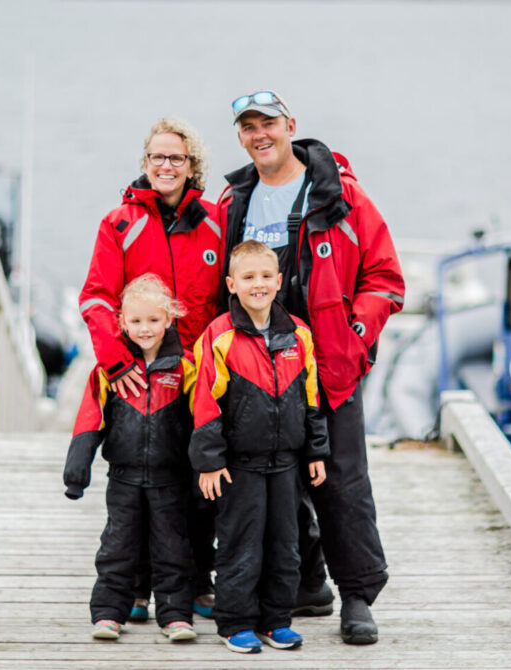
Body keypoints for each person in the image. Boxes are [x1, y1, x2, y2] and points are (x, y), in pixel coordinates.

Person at [217, 90, 405, 645]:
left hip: (328, 363)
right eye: (248, 127)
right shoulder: (234, 200)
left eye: (268, 123)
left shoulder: (340, 195)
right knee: (274, 475)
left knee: (341, 481)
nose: (260, 135)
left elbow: (385, 278)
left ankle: (357, 595)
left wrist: (355, 335)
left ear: (289, 125)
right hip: (258, 366)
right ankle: (306, 583)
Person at [78, 117, 222, 619]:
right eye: (158, 157)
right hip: (137, 378)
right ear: (145, 163)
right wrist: (115, 361)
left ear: (191, 166)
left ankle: (197, 580)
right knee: (139, 485)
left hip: (199, 377)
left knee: (198, 482)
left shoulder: (214, 223)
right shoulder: (119, 222)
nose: (166, 165)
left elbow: (228, 299)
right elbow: (96, 298)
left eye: (176, 158)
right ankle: (136, 587)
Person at [190, 240, 330, 653]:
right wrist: (210, 462)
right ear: (232, 284)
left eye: (266, 276)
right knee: (240, 546)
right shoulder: (219, 336)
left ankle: (276, 620)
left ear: (279, 281)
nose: (259, 284)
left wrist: (316, 452)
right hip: (239, 466)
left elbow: (311, 399)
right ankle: (235, 623)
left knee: (284, 546)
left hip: (286, 464)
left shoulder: (299, 335)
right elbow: (204, 404)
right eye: (249, 277)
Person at [64, 274, 198, 642]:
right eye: (135, 321)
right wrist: (77, 472)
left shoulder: (185, 367)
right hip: (122, 478)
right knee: (118, 545)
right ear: (122, 322)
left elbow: (203, 419)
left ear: (169, 319)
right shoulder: (110, 370)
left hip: (171, 479)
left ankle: (175, 616)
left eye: (153, 320)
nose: (144, 328)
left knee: (172, 547)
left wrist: (206, 467)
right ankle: (109, 613)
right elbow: (90, 418)